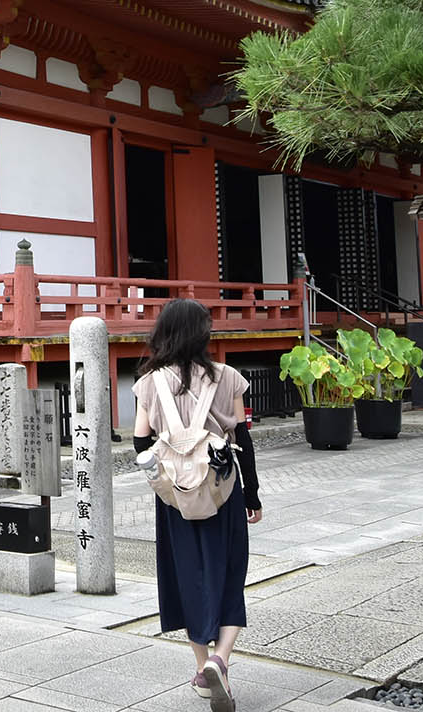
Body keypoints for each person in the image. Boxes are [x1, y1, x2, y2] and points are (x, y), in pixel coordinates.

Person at [132, 299, 262, 712]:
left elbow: (138, 440)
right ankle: (221, 659)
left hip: (175, 497)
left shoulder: (149, 383)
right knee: (228, 572)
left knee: (186, 575)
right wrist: (252, 496)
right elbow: (245, 442)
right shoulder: (228, 378)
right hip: (222, 492)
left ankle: (202, 666)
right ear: (202, 334)